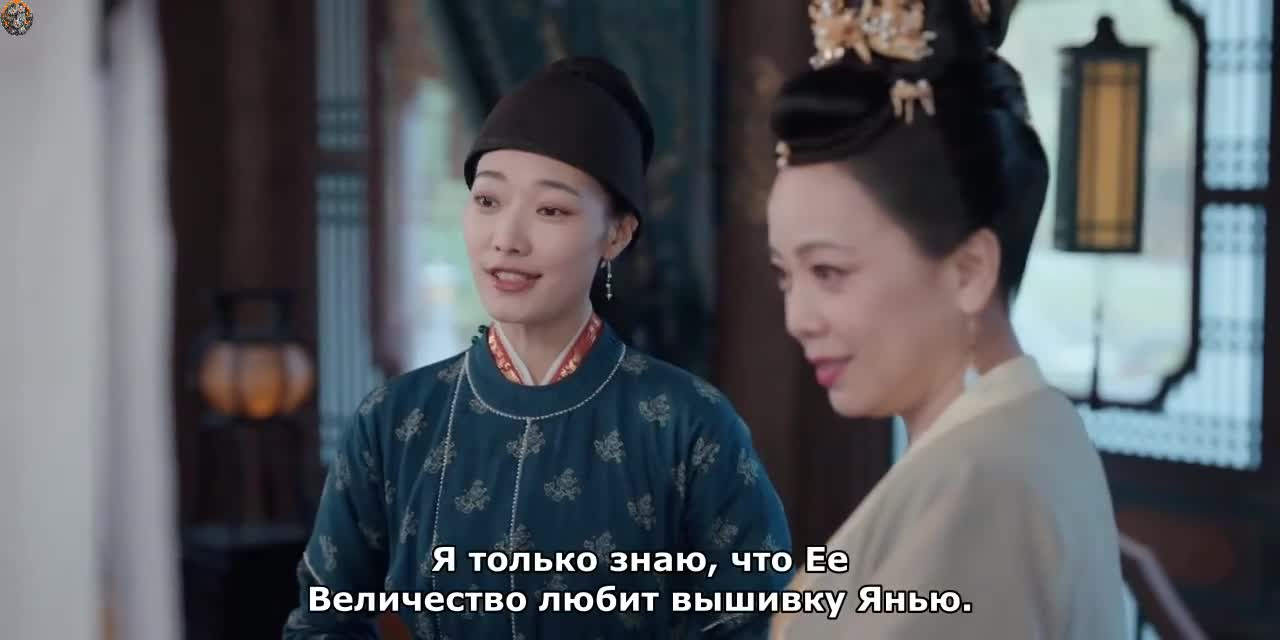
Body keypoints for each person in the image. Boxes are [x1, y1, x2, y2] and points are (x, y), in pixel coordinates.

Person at [283, 56, 793, 639]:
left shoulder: (690, 425)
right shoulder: (394, 421)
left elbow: (760, 621)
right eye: (487, 201)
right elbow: (322, 622)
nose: (506, 240)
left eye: (551, 210)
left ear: (616, 234)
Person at [765, 1, 1126, 638]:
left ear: (969, 271)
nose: (798, 319)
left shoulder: (983, 486)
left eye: (828, 272)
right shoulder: (1027, 429)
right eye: (785, 276)